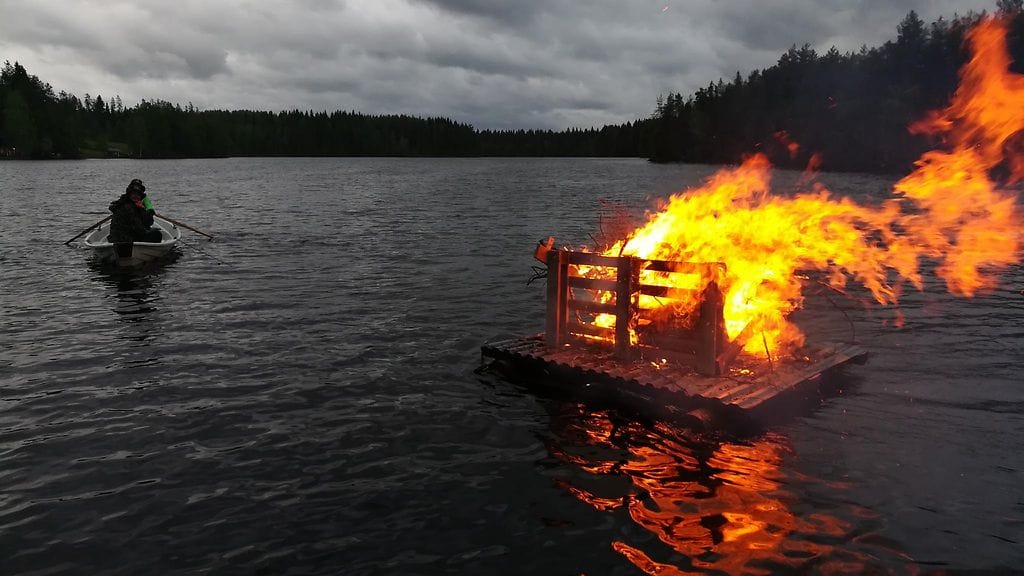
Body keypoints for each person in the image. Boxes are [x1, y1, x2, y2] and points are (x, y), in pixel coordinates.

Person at [108, 178, 162, 243]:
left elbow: (148, 222)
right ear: (129, 194)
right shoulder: (127, 206)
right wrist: (143, 210)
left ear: (140, 196)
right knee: (157, 235)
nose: (135, 196)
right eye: (133, 193)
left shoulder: (132, 204)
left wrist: (142, 209)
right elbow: (139, 229)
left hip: (124, 237)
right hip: (124, 239)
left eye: (138, 194)